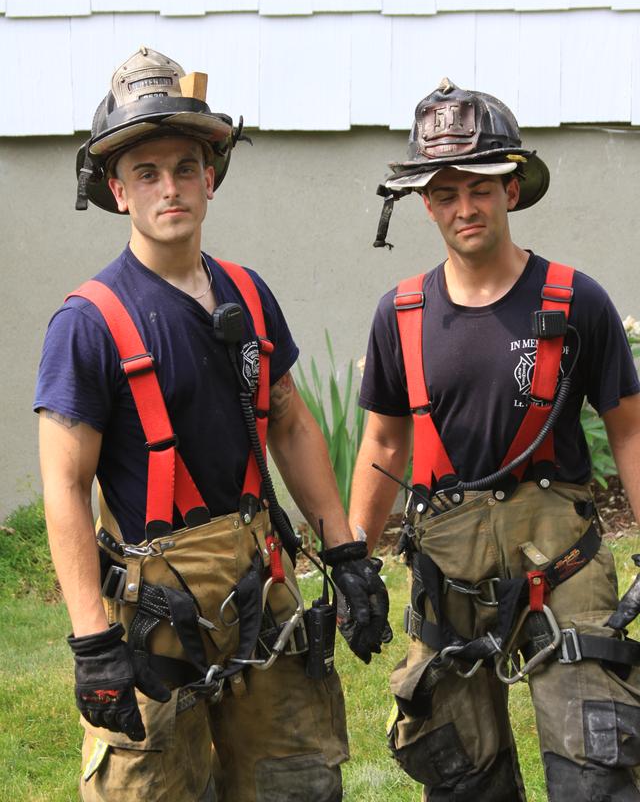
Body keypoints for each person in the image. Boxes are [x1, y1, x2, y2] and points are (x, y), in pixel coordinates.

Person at [34, 46, 390, 802]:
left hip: (262, 578)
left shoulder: (249, 295)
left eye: (186, 168)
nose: (171, 188)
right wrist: (92, 641)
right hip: (153, 608)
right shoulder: (88, 324)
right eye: (147, 174)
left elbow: (289, 423)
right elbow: (63, 485)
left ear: (211, 177)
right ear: (119, 192)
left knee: (297, 781)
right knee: (153, 789)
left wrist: (346, 549)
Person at [349, 77, 640, 801]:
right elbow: (384, 444)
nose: (464, 207)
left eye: (479, 186)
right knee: (460, 775)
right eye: (445, 192)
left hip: (562, 562)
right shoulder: (401, 315)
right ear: (425, 204)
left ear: (511, 188)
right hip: (446, 571)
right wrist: (352, 559)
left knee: (596, 769)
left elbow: (630, 428)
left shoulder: (576, 302)